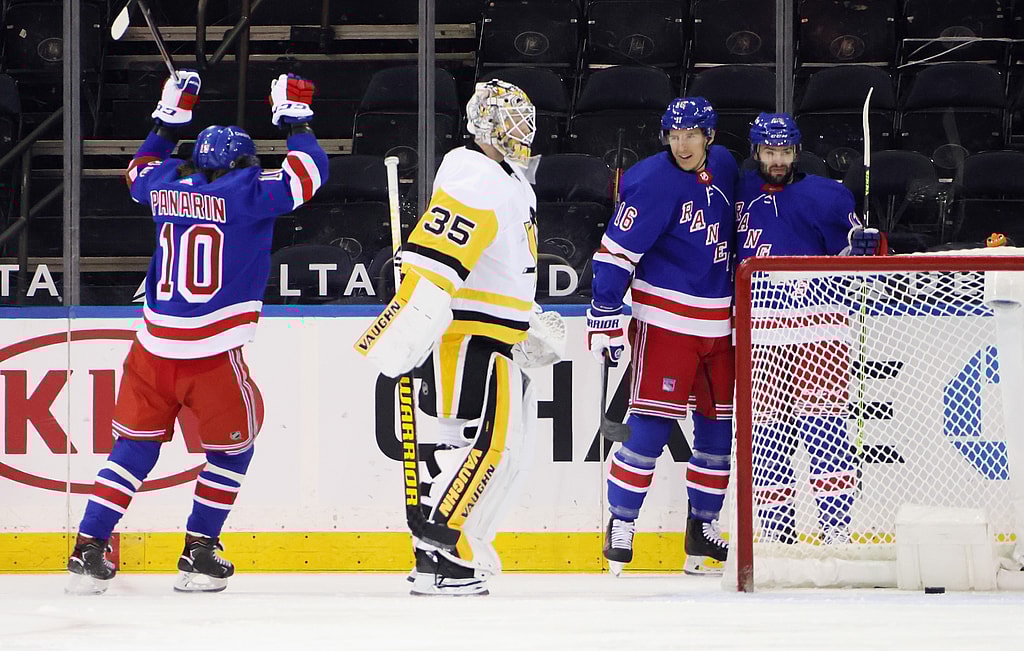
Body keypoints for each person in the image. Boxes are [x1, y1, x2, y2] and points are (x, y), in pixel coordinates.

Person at [65, 71, 328, 594]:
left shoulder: (163, 184)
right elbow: (308, 175)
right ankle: (199, 552)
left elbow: (137, 167)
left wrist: (169, 118)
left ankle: (88, 548)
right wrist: (294, 118)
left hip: (151, 350)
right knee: (232, 451)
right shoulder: (248, 191)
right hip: (210, 355)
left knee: (133, 451)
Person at [354, 79, 562, 596]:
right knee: (492, 446)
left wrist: (526, 314)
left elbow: (504, 268)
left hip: (493, 333)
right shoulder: (477, 177)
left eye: (524, 118)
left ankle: (433, 557)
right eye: (511, 119)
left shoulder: (506, 178)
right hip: (472, 337)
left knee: (467, 445)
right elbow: (434, 261)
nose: (523, 129)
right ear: (485, 124)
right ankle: (446, 546)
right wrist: (404, 320)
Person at [587, 97, 738, 576]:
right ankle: (622, 521)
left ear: (709, 136)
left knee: (717, 433)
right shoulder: (651, 181)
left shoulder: (728, 165)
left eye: (691, 134)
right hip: (667, 322)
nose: (682, 144)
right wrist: (606, 312)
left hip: (722, 324)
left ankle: (702, 528)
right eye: (674, 135)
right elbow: (614, 254)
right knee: (650, 427)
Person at [735, 112, 882, 545]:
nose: (777, 160)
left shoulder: (829, 196)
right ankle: (778, 539)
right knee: (768, 441)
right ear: (756, 152)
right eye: (769, 151)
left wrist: (866, 250)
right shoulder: (736, 193)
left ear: (797, 151)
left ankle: (837, 534)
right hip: (760, 334)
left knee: (829, 435)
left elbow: (858, 264)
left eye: (784, 152)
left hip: (820, 333)